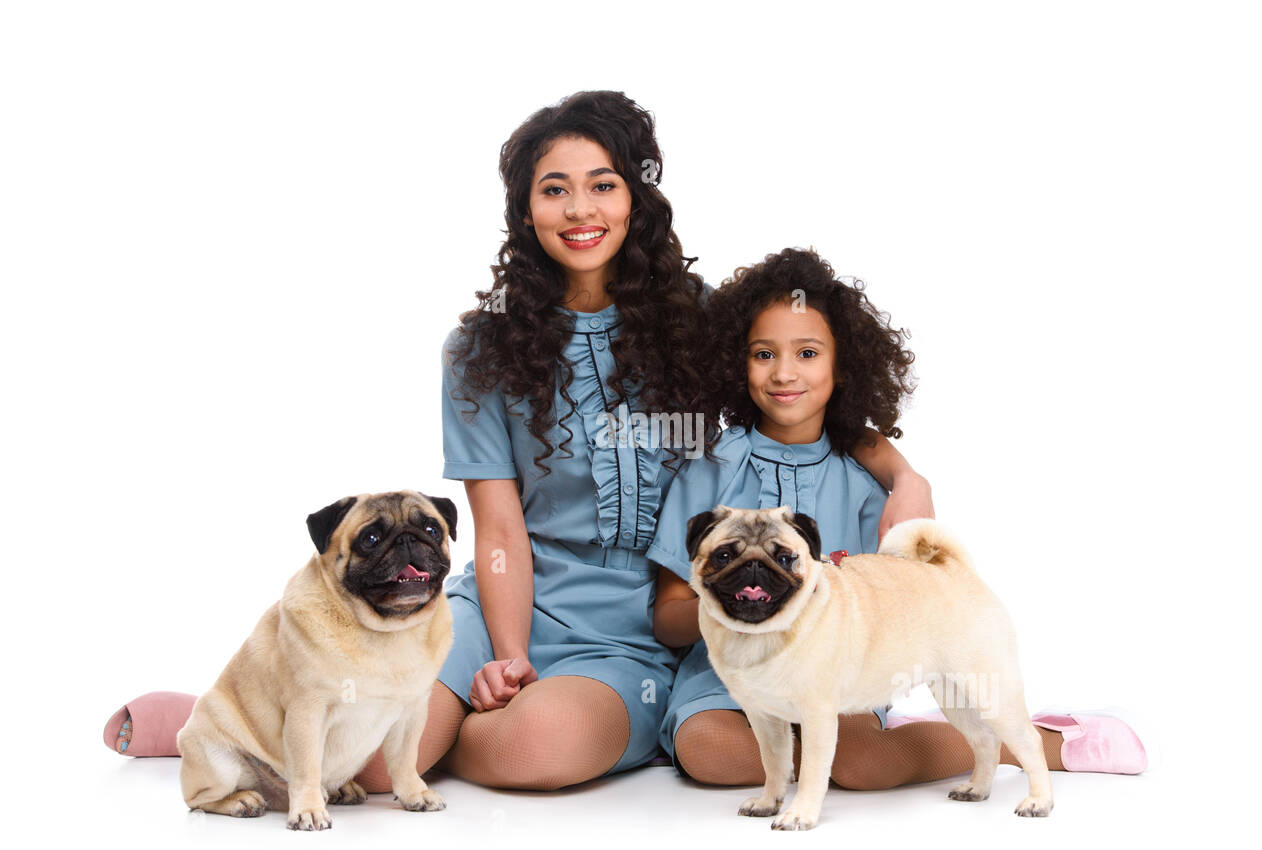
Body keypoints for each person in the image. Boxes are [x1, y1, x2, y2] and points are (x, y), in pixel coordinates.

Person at [102, 92, 939, 790]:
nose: (580, 210)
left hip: (640, 628)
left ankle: (362, 729)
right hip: (502, 601)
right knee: (382, 772)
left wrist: (901, 475)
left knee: (533, 752)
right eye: (555, 189)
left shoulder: (700, 320)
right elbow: (498, 530)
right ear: (524, 208)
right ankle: (221, 720)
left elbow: (795, 405)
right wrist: (505, 659)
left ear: (635, 197)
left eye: (602, 185)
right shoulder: (479, 348)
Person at [648, 247, 1148, 787]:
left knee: (863, 767)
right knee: (709, 752)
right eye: (763, 353)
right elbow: (668, 616)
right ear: (735, 362)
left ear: (844, 367)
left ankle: (1036, 741)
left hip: (838, 677)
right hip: (727, 678)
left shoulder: (865, 481)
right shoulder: (710, 471)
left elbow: (895, 595)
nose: (784, 372)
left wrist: (908, 480)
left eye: (809, 353)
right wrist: (736, 590)